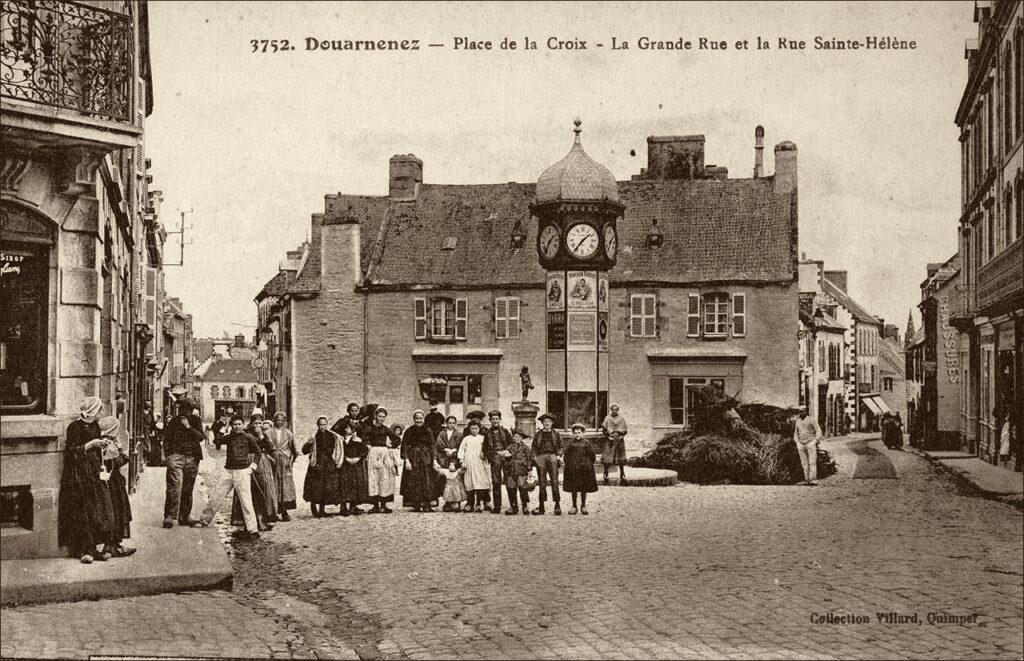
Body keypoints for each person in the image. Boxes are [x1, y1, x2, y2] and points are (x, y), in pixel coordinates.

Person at [59, 397, 116, 563]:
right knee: (82, 511)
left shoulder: (95, 426)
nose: (102, 413)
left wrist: (102, 445)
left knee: (96, 511)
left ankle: (93, 548)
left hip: (94, 472)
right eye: (100, 410)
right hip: (78, 475)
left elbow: (96, 449)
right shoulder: (74, 427)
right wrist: (90, 445)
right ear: (92, 412)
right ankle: (85, 550)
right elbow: (70, 452)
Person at [197, 416, 261, 540]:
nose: (237, 426)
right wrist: (223, 428)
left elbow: (258, 453)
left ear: (243, 424)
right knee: (216, 497)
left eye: (239, 424)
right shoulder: (230, 436)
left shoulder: (249, 437)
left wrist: (252, 467)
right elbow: (217, 441)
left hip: (242, 472)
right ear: (232, 425)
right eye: (235, 424)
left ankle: (253, 530)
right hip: (228, 471)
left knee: (246, 502)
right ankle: (204, 520)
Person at [96, 416, 137, 557]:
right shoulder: (110, 445)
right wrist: (121, 450)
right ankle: (113, 547)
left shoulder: (102, 442)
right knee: (117, 512)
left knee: (110, 514)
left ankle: (111, 545)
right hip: (113, 483)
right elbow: (120, 461)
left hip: (106, 482)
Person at [162, 399, 204, 528]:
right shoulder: (174, 422)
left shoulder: (196, 421)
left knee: (187, 488)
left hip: (192, 457)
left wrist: (188, 426)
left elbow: (201, 437)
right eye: (181, 410)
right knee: (174, 486)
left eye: (185, 410)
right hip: (177, 456)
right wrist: (169, 456)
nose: (183, 413)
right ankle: (169, 516)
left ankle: (184, 516)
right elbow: (167, 439)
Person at [302, 416, 343, 517]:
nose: (323, 426)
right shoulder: (314, 436)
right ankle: (313, 506)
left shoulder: (331, 436)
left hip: (328, 463)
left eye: (324, 424)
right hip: (317, 463)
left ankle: (322, 509)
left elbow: (335, 447)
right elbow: (304, 451)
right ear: (318, 425)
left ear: (327, 425)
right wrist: (308, 444)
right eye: (321, 424)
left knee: (327, 486)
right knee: (315, 487)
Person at [363, 407, 401, 513]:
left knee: (385, 478)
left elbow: (397, 439)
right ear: (375, 416)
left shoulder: (386, 429)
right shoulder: (369, 428)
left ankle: (383, 505)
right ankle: (375, 505)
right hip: (373, 453)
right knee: (374, 478)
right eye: (380, 416)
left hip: (384, 453)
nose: (381, 418)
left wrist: (390, 446)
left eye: (383, 417)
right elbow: (363, 439)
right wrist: (368, 446)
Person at [266, 412, 301, 521]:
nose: (279, 422)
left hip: (285, 465)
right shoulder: (268, 433)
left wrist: (290, 462)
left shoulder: (288, 433)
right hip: (272, 463)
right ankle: (272, 513)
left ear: (285, 421)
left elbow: (295, 450)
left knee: (285, 488)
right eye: (277, 420)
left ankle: (284, 511)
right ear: (274, 420)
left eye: (282, 420)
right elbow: (265, 448)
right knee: (273, 486)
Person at [401, 410, 437, 512]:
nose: (419, 420)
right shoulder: (409, 431)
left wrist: (434, 459)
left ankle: (426, 504)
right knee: (414, 480)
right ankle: (416, 504)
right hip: (413, 458)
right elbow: (404, 446)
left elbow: (432, 445)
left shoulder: (428, 430)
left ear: (423, 419)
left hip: (426, 458)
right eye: (417, 418)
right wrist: (406, 460)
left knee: (427, 480)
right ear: (414, 419)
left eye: (420, 418)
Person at [532, 413, 564, 515]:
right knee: (542, 482)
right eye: (545, 421)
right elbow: (533, 448)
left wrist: (558, 455)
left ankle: (557, 505)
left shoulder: (556, 434)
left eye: (549, 421)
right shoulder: (538, 434)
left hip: (553, 457)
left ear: (552, 423)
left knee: (554, 481)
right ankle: (541, 506)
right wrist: (535, 457)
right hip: (541, 457)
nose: (547, 423)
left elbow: (561, 446)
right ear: (542, 423)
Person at [563, 423, 598, 514]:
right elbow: (566, 455)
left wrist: (588, 464)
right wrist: (569, 464)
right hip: (573, 468)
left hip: (584, 468)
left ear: (583, 433)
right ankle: (574, 506)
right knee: (573, 487)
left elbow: (592, 455)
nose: (577, 434)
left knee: (583, 488)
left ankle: (583, 505)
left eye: (579, 432)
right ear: (573, 434)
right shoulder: (570, 443)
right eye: (575, 433)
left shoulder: (586, 443)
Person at [337, 419, 369, 516]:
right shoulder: (341, 440)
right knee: (344, 485)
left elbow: (365, 451)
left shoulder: (358, 440)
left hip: (356, 466)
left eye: (348, 428)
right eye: (345, 428)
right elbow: (340, 451)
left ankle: (353, 507)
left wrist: (358, 458)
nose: (346, 429)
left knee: (355, 486)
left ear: (353, 430)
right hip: (345, 466)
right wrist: (346, 458)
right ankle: (343, 507)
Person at [458, 419, 491, 512]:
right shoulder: (466, 439)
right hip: (469, 464)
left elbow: (487, 449)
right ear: (469, 429)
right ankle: (470, 503)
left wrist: (484, 453)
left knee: (479, 483)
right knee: (469, 483)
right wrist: (461, 461)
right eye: (472, 428)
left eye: (476, 428)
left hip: (479, 463)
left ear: (479, 428)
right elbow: (461, 450)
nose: (474, 430)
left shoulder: (482, 438)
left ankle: (478, 504)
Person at [484, 410, 513, 513]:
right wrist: (491, 457)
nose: (495, 421)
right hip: (495, 458)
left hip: (505, 458)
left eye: (497, 419)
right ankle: (497, 506)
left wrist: (507, 452)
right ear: (490, 420)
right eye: (493, 419)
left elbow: (511, 444)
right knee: (496, 482)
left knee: (509, 481)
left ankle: (513, 505)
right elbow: (485, 448)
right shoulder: (487, 433)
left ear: (500, 419)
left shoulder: (505, 432)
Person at [503, 428, 535, 516]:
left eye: (519, 437)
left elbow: (529, 460)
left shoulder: (525, 448)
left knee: (522, 488)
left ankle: (525, 505)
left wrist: (529, 470)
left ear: (522, 438)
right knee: (511, 489)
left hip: (521, 471)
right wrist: (506, 458)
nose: (517, 438)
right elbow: (505, 460)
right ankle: (513, 506)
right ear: (513, 437)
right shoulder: (509, 447)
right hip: (511, 471)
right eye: (516, 436)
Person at [434, 415, 463, 501]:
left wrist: (454, 450)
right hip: (444, 457)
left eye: (453, 423)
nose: (451, 425)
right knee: (444, 480)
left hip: (454, 459)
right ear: (446, 423)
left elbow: (461, 446)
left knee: (454, 479)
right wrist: (445, 449)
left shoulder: (459, 434)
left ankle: (455, 500)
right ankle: (447, 500)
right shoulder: (442, 433)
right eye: (450, 423)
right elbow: (438, 445)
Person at [793, 406, 822, 486]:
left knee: (812, 461)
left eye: (803, 411)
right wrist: (797, 442)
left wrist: (815, 441)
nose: (801, 413)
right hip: (801, 444)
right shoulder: (798, 421)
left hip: (810, 443)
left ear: (806, 411)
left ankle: (813, 480)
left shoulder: (811, 420)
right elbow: (795, 433)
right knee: (804, 462)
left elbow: (818, 431)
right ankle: (807, 479)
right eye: (799, 411)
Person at [600, 404, 628, 485]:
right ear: (610, 410)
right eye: (613, 410)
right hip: (610, 440)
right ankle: (606, 473)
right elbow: (604, 430)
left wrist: (622, 436)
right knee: (607, 457)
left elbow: (625, 430)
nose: (614, 411)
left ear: (618, 410)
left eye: (616, 410)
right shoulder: (607, 418)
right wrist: (608, 436)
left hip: (619, 440)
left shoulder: (621, 419)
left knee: (620, 458)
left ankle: (622, 474)